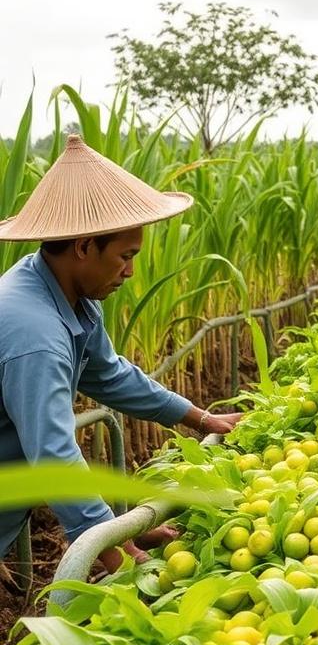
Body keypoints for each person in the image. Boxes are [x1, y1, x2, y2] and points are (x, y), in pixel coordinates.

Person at [0, 135, 242, 577]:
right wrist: (116, 551)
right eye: (125, 256)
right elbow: (53, 456)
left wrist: (201, 420)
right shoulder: (34, 332)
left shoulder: (67, 294)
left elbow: (109, 375)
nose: (130, 271)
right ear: (84, 246)